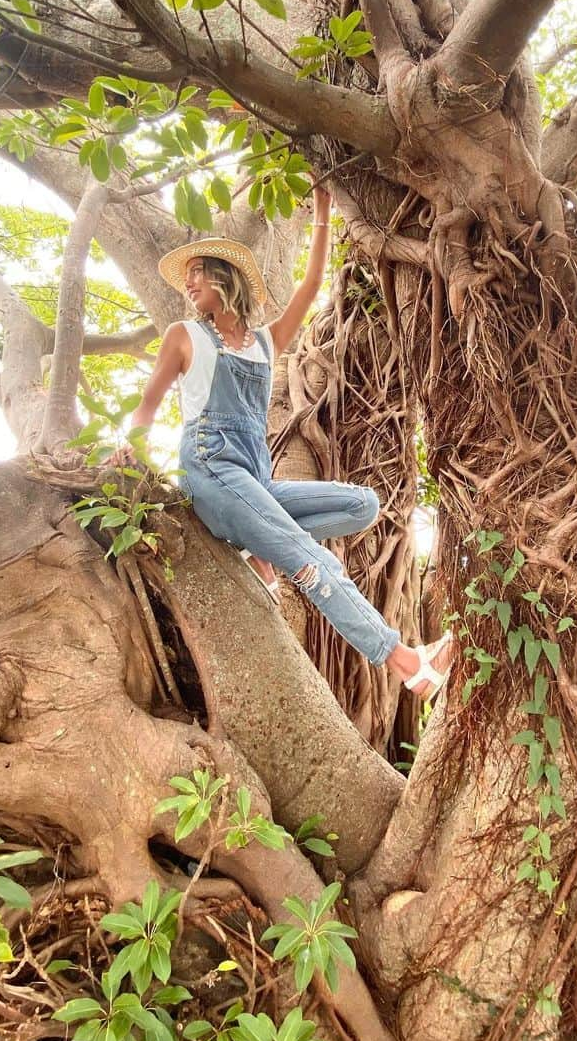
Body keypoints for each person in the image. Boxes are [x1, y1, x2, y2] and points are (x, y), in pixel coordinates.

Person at [117, 185, 454, 700]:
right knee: (313, 559)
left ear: (224, 278)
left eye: (197, 274)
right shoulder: (184, 335)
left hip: (256, 479)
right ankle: (409, 664)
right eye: (187, 278)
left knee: (363, 504)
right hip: (211, 468)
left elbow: (313, 283)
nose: (189, 284)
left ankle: (259, 547)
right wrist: (132, 450)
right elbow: (149, 404)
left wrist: (320, 209)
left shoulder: (265, 342)